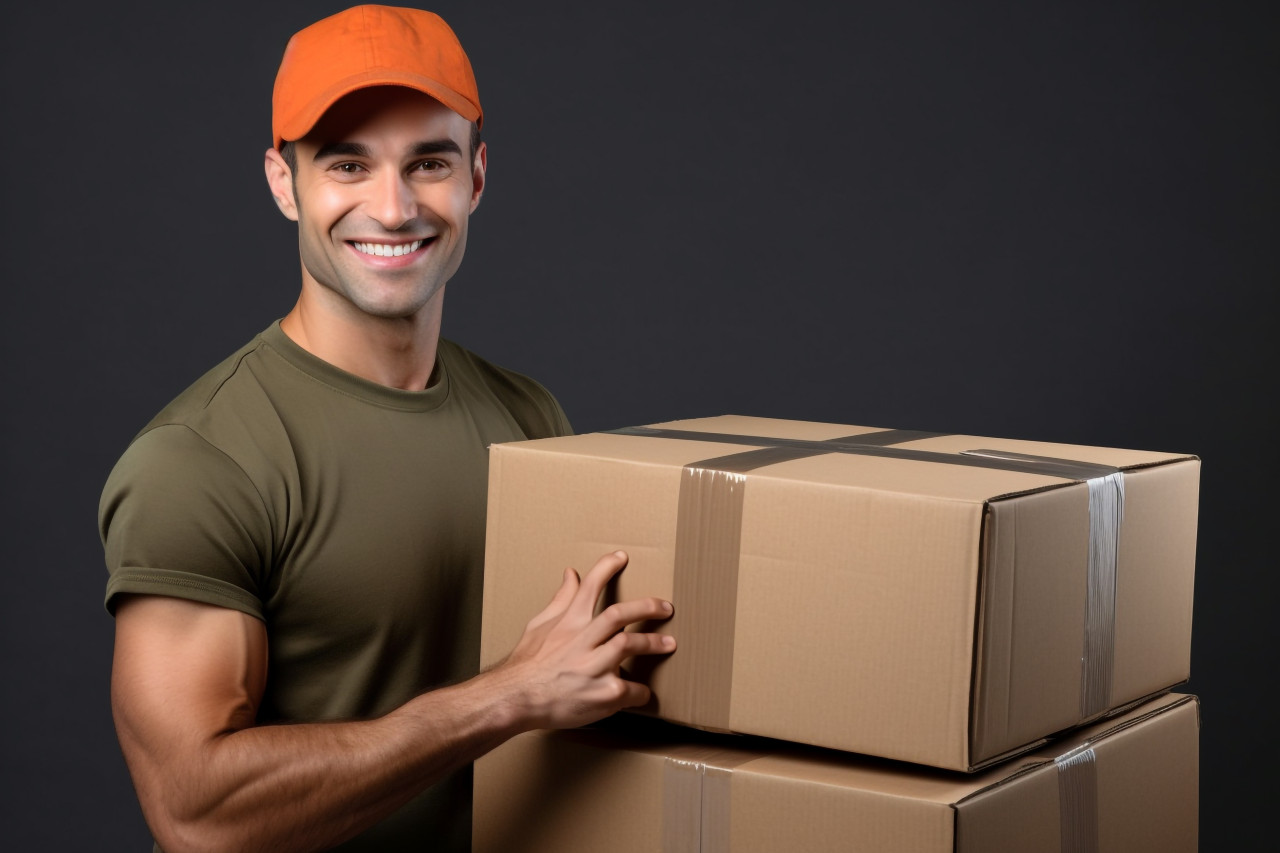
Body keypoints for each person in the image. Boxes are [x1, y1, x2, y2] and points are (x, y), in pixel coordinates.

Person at [97, 6, 675, 852]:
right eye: (347, 164)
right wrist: (505, 694)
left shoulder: (529, 418)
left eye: (429, 162)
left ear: (477, 177)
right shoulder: (201, 460)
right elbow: (197, 813)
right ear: (283, 182)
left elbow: (580, 699)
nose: (394, 206)